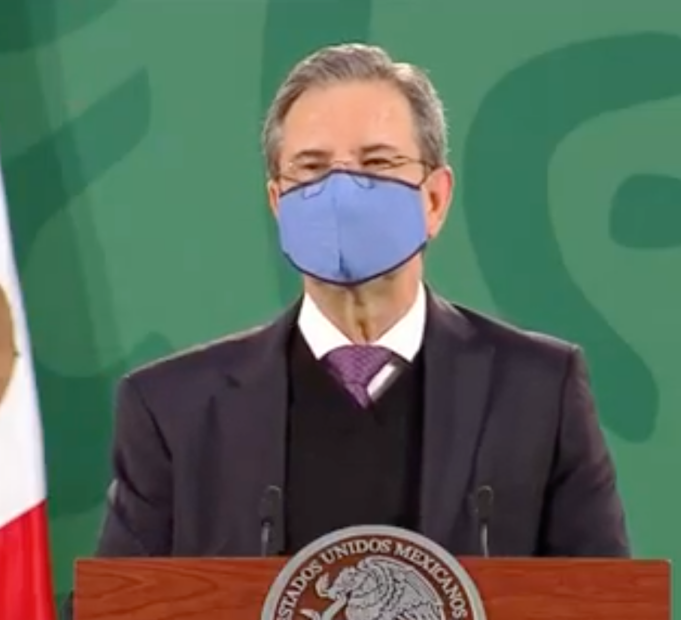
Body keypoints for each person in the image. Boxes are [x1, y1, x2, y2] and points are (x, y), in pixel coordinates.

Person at [91, 42, 629, 566]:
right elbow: (117, 606)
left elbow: (608, 602)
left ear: (434, 198)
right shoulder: (173, 410)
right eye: (312, 168)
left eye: (376, 163)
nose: (343, 194)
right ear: (278, 201)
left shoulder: (538, 390)